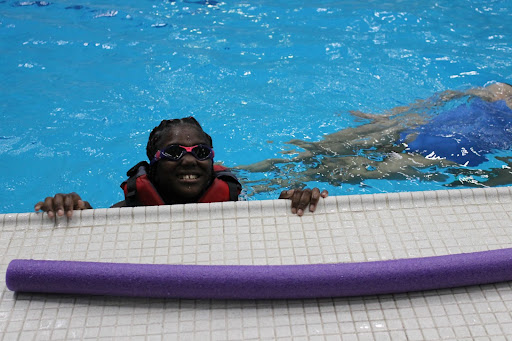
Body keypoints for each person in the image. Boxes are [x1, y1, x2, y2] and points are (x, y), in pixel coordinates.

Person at [238, 82, 512, 191]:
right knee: (315, 148)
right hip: (408, 128)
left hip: (437, 159)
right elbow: (446, 97)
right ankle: (239, 172)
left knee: (332, 172)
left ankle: (255, 189)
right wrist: (392, 115)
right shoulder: (502, 90)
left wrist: (478, 183)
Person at [35, 117, 328, 218]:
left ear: (211, 161)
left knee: (315, 160)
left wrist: (290, 204)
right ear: (152, 166)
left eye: (200, 152)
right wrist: (73, 212)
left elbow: (269, 228)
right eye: (174, 152)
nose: (189, 160)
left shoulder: (238, 204)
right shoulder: (125, 212)